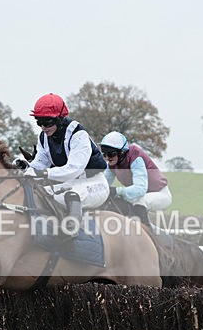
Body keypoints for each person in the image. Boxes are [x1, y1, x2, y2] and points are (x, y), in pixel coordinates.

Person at [23, 93, 109, 236]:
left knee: (72, 194)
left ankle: (72, 232)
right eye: (39, 122)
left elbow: (73, 170)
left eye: (47, 122)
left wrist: (44, 173)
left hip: (95, 183)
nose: (43, 127)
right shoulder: (44, 137)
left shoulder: (78, 134)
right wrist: (26, 167)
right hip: (70, 183)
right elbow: (40, 164)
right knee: (39, 194)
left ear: (60, 119)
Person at [98, 131, 171, 226]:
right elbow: (103, 186)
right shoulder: (112, 164)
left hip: (160, 194)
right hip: (138, 197)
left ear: (122, 152)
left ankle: (150, 236)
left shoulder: (136, 158)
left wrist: (116, 191)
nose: (108, 158)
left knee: (140, 201)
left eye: (111, 154)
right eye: (104, 154)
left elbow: (140, 190)